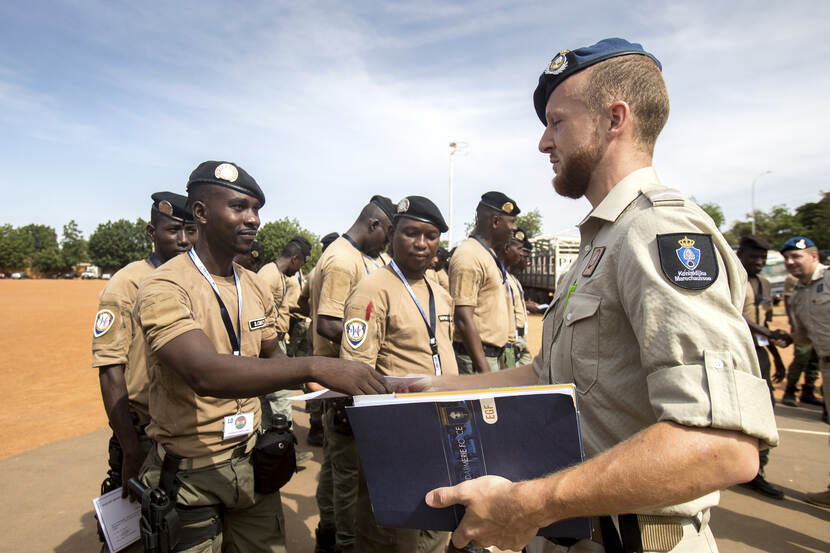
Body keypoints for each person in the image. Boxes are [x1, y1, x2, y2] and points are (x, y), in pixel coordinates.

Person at [416, 39, 778, 552]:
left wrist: (528, 503)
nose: (544, 143)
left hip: (633, 538)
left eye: (556, 122)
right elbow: (546, 376)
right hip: (580, 531)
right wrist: (433, 386)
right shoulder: (603, 241)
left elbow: (720, 446)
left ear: (614, 119)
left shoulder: (658, 231)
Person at [134, 160, 387, 553]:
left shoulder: (252, 285)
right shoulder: (163, 287)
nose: (253, 219)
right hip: (191, 475)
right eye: (239, 207)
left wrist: (322, 388)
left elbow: (272, 354)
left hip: (253, 466)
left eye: (256, 210)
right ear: (200, 213)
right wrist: (316, 365)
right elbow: (204, 373)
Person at [340, 196, 456, 553]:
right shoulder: (372, 290)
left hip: (443, 432)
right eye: (411, 234)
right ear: (392, 234)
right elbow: (356, 375)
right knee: (394, 538)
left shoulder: (439, 292)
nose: (422, 244)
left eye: (431, 236)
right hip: (399, 437)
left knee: (437, 529)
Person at [93, 192, 197, 549]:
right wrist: (129, 447)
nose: (183, 240)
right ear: (152, 232)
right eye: (173, 231)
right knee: (136, 535)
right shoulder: (127, 283)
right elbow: (110, 370)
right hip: (140, 430)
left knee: (175, 530)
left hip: (182, 429)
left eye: (190, 230)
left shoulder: (196, 281)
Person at [309, 196, 395, 553]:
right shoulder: (343, 260)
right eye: (387, 234)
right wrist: (379, 332)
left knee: (335, 467)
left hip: (349, 376)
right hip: (344, 380)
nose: (387, 243)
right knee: (349, 476)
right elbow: (328, 323)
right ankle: (344, 543)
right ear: (374, 225)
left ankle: (328, 534)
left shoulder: (360, 257)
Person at [736, 235, 788, 499]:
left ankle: (756, 471)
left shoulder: (765, 284)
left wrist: (777, 357)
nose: (758, 263)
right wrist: (770, 332)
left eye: (762, 259)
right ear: (740, 254)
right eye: (753, 257)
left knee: (765, 409)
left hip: (760, 352)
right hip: (737, 351)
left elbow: (763, 324)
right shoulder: (731, 280)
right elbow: (735, 318)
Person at [780, 236, 830, 507]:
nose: (790, 263)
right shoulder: (798, 295)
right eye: (787, 258)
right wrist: (786, 339)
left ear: (813, 256)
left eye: (796, 257)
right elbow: (803, 338)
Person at [449, 192, 519, 374]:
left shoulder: (487, 254)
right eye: (511, 222)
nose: (514, 228)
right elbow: (463, 318)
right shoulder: (469, 255)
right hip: (477, 361)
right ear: (495, 221)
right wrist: (485, 371)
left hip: (491, 356)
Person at [257, 236, 313, 426]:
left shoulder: (278, 275)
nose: (298, 270)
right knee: (280, 395)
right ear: (294, 259)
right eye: (299, 265)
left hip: (275, 338)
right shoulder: (268, 275)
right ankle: (284, 443)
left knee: (269, 395)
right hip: (269, 341)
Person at [781, 273, 823, 407]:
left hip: (820, 326)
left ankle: (808, 391)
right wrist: (794, 324)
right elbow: (789, 302)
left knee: (815, 360)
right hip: (802, 326)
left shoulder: (823, 277)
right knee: (801, 357)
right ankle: (790, 391)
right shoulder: (794, 278)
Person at [502, 229, 534, 366]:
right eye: (523, 254)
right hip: (510, 340)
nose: (525, 260)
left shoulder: (513, 279)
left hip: (519, 337)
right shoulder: (503, 277)